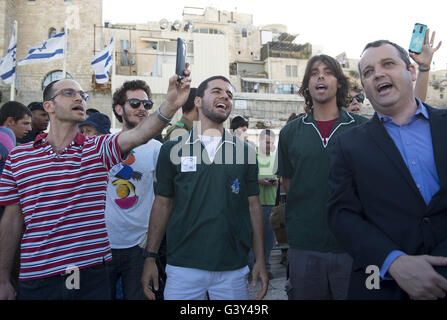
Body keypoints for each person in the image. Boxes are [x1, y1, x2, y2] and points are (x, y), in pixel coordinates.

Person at [0, 67, 191, 300]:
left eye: (82, 95)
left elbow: (141, 134)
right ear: (48, 106)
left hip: (89, 271)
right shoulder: (19, 158)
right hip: (37, 272)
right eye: (69, 93)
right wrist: (2, 279)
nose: (79, 97)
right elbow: (11, 220)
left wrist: (171, 104)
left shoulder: (98, 149)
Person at [327, 39, 447, 300]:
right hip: (382, 287)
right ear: (366, 88)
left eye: (388, 64)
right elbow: (342, 215)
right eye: (368, 72)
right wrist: (392, 261)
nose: (378, 74)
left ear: (412, 72)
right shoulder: (347, 145)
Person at [141, 75, 268, 300]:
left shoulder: (246, 152)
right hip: (183, 267)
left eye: (229, 95)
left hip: (232, 268)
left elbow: (253, 208)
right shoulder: (172, 148)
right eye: (217, 91)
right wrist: (150, 257)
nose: (225, 97)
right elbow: (162, 204)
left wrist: (259, 260)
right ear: (198, 101)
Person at [276, 54, 367, 300]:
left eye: (328, 72)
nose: (320, 76)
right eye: (314, 72)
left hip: (353, 246)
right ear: (307, 85)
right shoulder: (289, 133)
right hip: (305, 246)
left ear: (339, 83)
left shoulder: (363, 128)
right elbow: (290, 184)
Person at [105, 80, 162, 300]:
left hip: (139, 246)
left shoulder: (157, 149)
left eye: (147, 104)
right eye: (135, 103)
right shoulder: (105, 144)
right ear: (119, 109)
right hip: (103, 244)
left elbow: (164, 198)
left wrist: (152, 247)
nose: (142, 109)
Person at [249, 129, 278, 280]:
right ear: (260, 141)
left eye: (271, 143)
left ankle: (265, 268)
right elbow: (245, 178)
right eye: (267, 142)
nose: (269, 145)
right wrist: (259, 180)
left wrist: (276, 181)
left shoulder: (275, 157)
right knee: (251, 237)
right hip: (254, 204)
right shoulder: (251, 156)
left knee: (268, 239)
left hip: (270, 204)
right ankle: (251, 267)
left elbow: (281, 177)